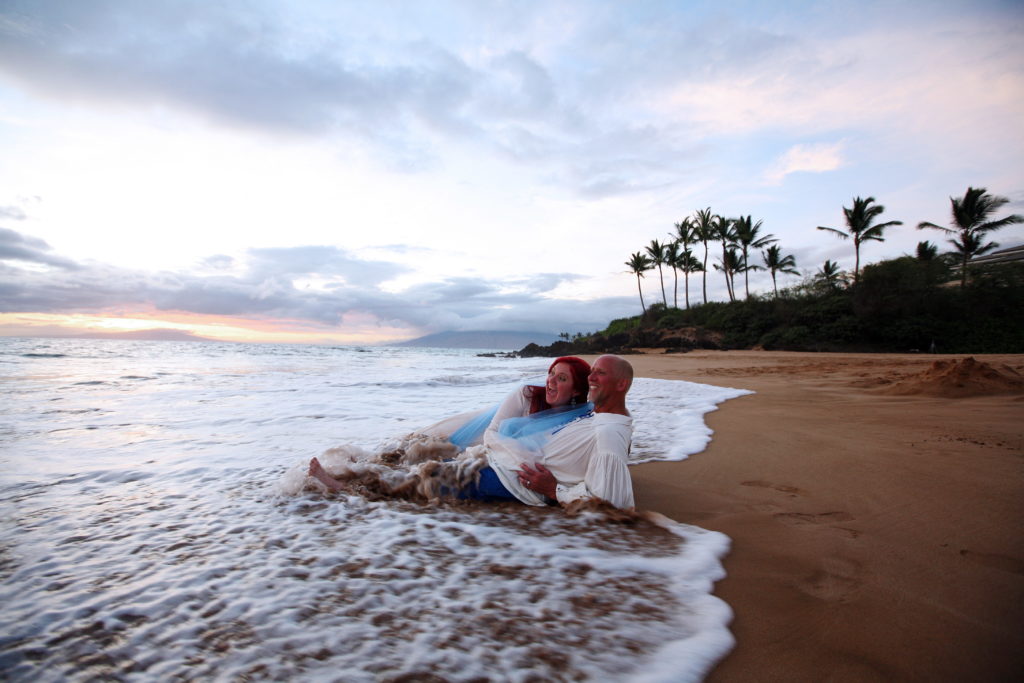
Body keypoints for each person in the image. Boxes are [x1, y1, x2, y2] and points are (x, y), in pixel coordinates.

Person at [308, 354, 636, 509]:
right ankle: (359, 476)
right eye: (591, 373)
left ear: (621, 384)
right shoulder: (597, 416)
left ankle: (344, 487)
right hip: (496, 458)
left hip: (515, 481)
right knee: (426, 469)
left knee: (426, 483)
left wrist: (554, 491)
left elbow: (610, 505)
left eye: (600, 374)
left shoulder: (607, 431)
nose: (593, 378)